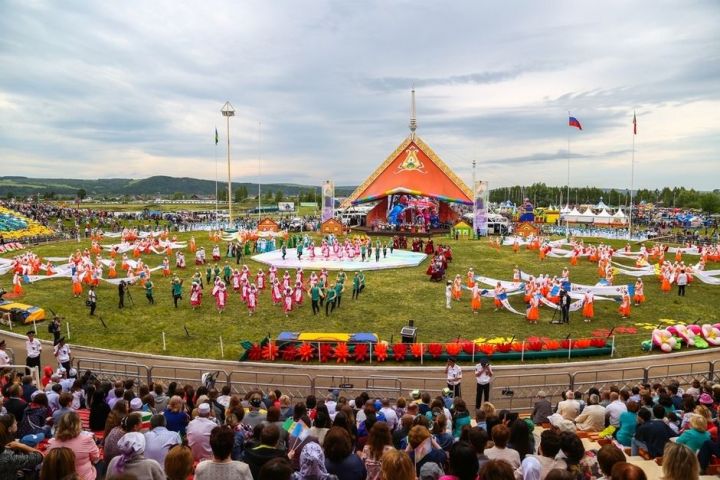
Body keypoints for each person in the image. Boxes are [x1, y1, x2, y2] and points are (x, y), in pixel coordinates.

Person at [47, 411, 100, 480]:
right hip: (84, 477)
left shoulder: (52, 443)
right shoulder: (87, 440)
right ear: (78, 424)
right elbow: (95, 458)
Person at [0, 414, 43, 478]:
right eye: (14, 423)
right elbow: (40, 455)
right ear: (9, 429)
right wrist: (22, 446)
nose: (17, 423)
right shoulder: (8, 457)